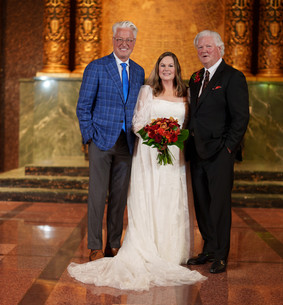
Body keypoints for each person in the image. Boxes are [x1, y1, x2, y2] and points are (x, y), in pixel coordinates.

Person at [68, 52, 206, 291]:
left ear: (177, 68)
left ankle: (168, 250)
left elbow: (187, 124)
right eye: (162, 64)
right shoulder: (147, 90)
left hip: (174, 155)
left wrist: (172, 139)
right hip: (148, 153)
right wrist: (156, 137)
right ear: (157, 67)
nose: (166, 69)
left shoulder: (186, 94)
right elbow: (138, 123)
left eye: (170, 65)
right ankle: (98, 246)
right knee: (138, 198)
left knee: (170, 201)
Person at [76, 21, 145, 262]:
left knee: (119, 196)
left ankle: (113, 244)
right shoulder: (96, 67)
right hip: (101, 140)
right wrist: (90, 136)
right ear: (113, 40)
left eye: (129, 40)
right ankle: (94, 246)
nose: (124, 44)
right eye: (120, 39)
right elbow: (83, 106)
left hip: (127, 143)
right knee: (97, 195)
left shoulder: (138, 71)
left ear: (134, 43)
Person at [186, 30, 249, 273]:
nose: (203, 50)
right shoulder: (195, 77)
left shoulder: (233, 77)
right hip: (197, 151)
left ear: (220, 49)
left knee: (219, 205)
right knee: (202, 203)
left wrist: (229, 148)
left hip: (220, 153)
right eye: (200, 47)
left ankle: (221, 255)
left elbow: (241, 117)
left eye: (208, 46)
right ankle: (209, 248)